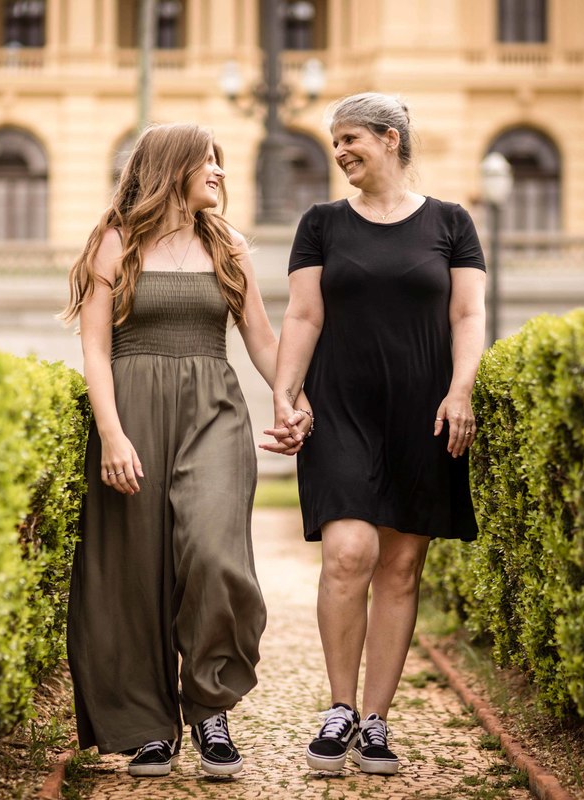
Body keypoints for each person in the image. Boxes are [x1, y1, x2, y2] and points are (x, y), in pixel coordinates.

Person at [60, 123, 310, 779]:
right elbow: (93, 348)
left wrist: (290, 399)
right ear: (173, 169)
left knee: (214, 549)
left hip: (214, 411)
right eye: (210, 164)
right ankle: (147, 724)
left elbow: (260, 337)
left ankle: (210, 707)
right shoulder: (115, 242)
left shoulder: (226, 244)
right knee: (134, 569)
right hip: (134, 411)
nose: (222, 176)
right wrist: (111, 433)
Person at [268, 93, 487, 776]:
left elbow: (468, 315)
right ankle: (339, 707)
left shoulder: (451, 222)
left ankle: (378, 721)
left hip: (422, 408)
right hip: (341, 407)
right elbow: (303, 315)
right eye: (335, 142)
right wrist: (285, 388)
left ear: (391, 138)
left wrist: (460, 390)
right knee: (348, 552)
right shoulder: (322, 223)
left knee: (399, 565)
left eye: (350, 139)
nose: (339, 153)